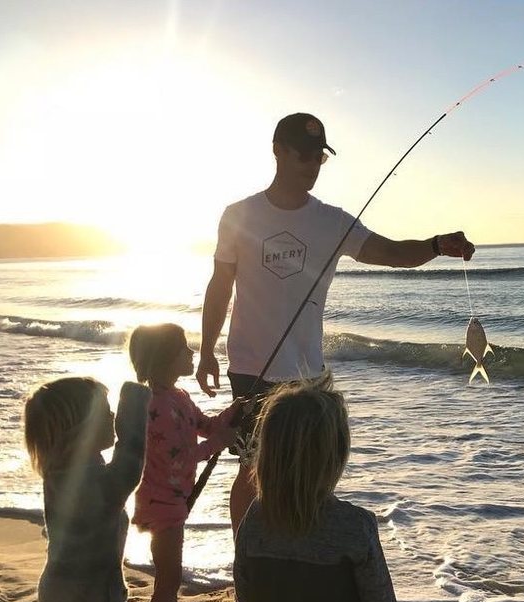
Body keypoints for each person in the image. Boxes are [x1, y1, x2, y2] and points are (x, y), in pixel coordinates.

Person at [196, 112, 477, 559]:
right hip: (252, 367)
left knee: (310, 470)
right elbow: (219, 284)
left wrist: (436, 245)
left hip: (308, 372)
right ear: (278, 151)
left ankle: (293, 557)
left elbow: (390, 253)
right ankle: (248, 571)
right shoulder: (239, 216)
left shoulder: (332, 221)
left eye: (319, 157)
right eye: (304, 154)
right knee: (253, 470)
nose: (312, 164)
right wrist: (207, 349)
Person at [233, 372, 409, 602]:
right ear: (336, 456)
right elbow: (377, 595)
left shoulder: (255, 517)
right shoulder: (353, 526)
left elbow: (245, 586)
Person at [23, 376, 151, 602]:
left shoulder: (58, 472)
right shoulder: (92, 481)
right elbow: (130, 464)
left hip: (59, 598)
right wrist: (136, 399)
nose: (113, 419)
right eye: (107, 413)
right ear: (81, 428)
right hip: (98, 601)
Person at [127, 323, 243, 602]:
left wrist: (230, 415)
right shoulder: (158, 406)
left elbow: (205, 426)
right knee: (167, 578)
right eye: (184, 349)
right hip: (160, 501)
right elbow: (180, 457)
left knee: (170, 576)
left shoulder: (177, 396)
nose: (192, 353)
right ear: (165, 357)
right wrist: (220, 442)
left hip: (173, 498)